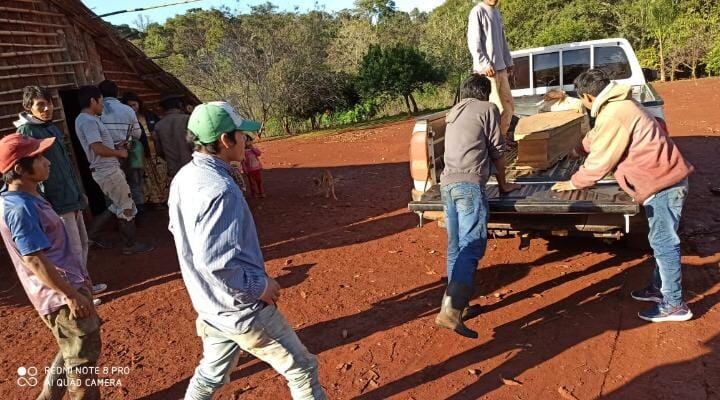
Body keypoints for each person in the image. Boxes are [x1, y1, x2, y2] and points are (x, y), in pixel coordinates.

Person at [168, 101, 326, 400]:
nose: (247, 140)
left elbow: (185, 241)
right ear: (225, 140)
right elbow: (215, 261)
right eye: (241, 135)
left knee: (210, 374)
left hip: (211, 306)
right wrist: (259, 286)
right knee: (302, 368)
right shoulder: (220, 189)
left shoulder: (184, 178)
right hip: (242, 310)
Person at [552, 69, 694, 322]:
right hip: (662, 179)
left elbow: (600, 162)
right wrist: (576, 149)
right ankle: (658, 289)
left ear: (587, 96)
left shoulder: (614, 114)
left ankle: (674, 304)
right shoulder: (621, 104)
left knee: (664, 244)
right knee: (660, 240)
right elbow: (597, 137)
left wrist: (573, 181)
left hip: (663, 183)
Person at [0, 133, 102, 400]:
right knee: (82, 362)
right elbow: (33, 259)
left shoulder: (25, 197)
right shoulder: (20, 208)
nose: (48, 162)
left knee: (71, 348)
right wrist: (71, 294)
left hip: (65, 286)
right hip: (60, 296)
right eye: (39, 158)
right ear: (19, 169)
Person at [436, 74, 519, 338]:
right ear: (485, 93)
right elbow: (497, 149)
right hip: (469, 185)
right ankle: (451, 310)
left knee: (456, 247)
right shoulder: (487, 108)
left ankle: (458, 305)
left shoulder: (454, 112)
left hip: (447, 184)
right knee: (472, 245)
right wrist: (505, 185)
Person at [15, 86, 107, 300]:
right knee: (70, 249)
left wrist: (78, 191)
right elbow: (30, 172)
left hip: (70, 195)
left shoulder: (52, 128)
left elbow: (66, 164)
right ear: (28, 107)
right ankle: (76, 292)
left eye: (49, 103)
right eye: (40, 105)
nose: (47, 108)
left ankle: (85, 285)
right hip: (55, 200)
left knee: (82, 243)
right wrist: (42, 201)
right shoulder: (27, 132)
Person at [74, 85, 154, 255]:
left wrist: (116, 146)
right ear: (92, 101)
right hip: (107, 170)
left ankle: (91, 235)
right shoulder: (88, 120)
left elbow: (100, 146)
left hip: (106, 168)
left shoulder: (90, 119)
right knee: (126, 206)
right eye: (101, 101)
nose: (103, 104)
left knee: (116, 205)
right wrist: (120, 152)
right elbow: (97, 148)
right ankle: (129, 245)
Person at [467, 0, 515, 140]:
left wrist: (508, 61)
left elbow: (502, 40)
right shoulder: (477, 11)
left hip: (501, 69)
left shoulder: (496, 12)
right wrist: (484, 64)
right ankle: (493, 145)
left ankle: (502, 139)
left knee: (509, 107)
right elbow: (473, 41)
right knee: (495, 110)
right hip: (487, 72)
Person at [98, 80, 146, 211]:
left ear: (100, 94)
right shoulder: (128, 110)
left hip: (108, 156)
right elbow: (137, 134)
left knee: (113, 188)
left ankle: (119, 218)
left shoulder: (97, 111)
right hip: (127, 152)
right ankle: (139, 214)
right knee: (134, 184)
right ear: (117, 93)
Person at [121, 92, 169, 206]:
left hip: (156, 152)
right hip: (142, 155)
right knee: (148, 180)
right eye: (129, 106)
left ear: (139, 104)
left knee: (162, 176)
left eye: (134, 105)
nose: (133, 108)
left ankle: (166, 199)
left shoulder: (149, 115)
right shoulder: (128, 120)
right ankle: (155, 202)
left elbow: (159, 128)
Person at [154, 95, 192, 178]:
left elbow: (159, 151)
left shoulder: (158, 125)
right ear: (180, 105)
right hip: (193, 166)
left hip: (174, 170)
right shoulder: (188, 119)